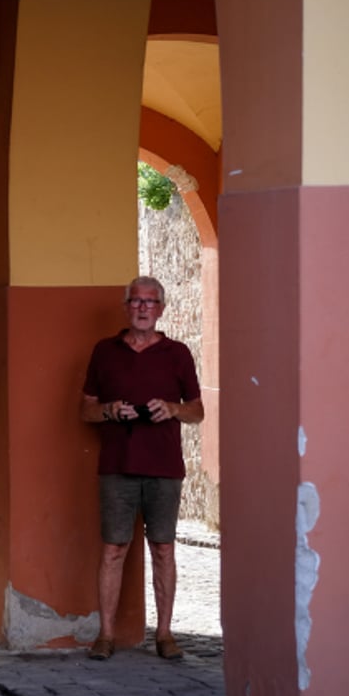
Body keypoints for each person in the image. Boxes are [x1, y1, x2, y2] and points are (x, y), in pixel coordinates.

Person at [79, 276, 204, 662]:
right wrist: (110, 410)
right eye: (136, 301)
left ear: (161, 309)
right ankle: (106, 636)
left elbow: (198, 411)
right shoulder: (104, 352)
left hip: (164, 466)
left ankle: (164, 635)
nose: (143, 308)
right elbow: (85, 409)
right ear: (127, 307)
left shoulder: (177, 353)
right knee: (114, 548)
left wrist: (173, 409)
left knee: (163, 548)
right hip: (117, 465)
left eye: (151, 302)